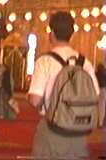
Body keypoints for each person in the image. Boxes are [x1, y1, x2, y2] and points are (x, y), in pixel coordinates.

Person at [27, 11, 100, 158]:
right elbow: (96, 95)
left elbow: (35, 100)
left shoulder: (45, 61)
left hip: (52, 128)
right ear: (71, 34)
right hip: (78, 130)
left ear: (52, 33)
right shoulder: (84, 62)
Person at [96, 62, 106, 128]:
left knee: (96, 106)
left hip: (96, 90)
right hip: (103, 90)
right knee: (102, 107)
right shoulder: (105, 74)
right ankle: (100, 123)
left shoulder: (95, 74)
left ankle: (95, 121)